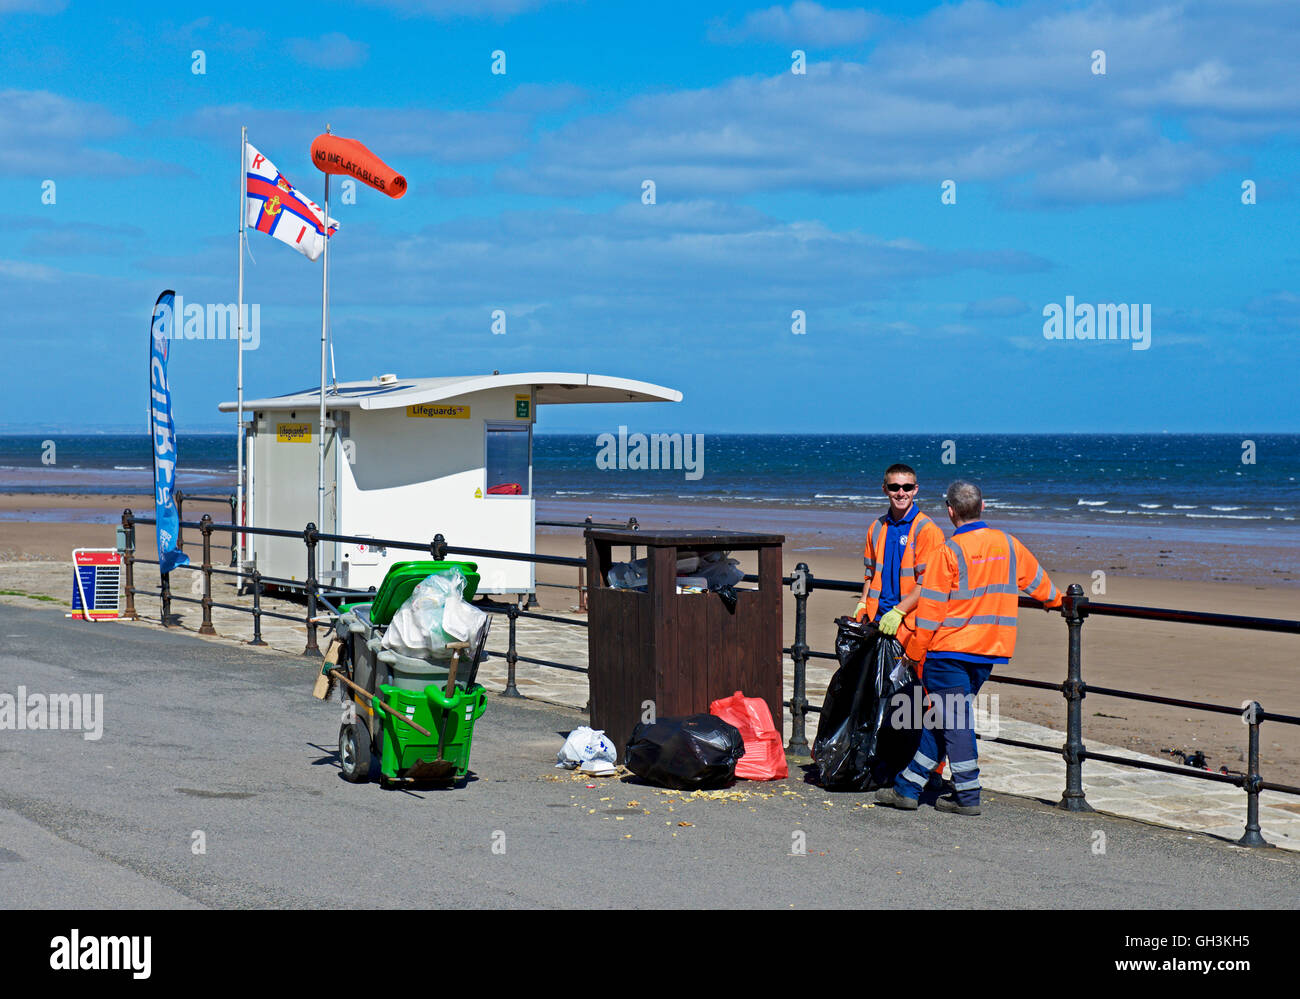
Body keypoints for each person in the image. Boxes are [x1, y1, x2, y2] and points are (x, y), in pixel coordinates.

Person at [874, 479, 1061, 816]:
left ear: (949, 511)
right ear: (983, 506)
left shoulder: (949, 552)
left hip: (948, 653)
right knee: (941, 719)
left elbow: (930, 613)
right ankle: (907, 787)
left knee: (954, 722)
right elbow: (1038, 583)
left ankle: (968, 794)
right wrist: (1060, 601)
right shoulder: (1007, 544)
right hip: (988, 650)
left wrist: (913, 653)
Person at [854, 463, 946, 665]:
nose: (901, 493)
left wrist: (898, 611)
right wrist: (862, 602)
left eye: (907, 487)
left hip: (910, 628)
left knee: (908, 693)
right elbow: (870, 574)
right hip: (876, 623)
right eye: (895, 487)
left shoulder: (927, 530)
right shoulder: (876, 527)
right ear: (885, 489)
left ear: (916, 490)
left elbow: (928, 583)